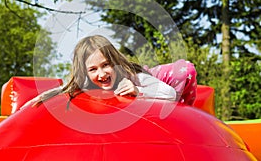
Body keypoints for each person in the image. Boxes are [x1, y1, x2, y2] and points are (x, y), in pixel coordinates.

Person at [26, 35, 196, 108]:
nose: (101, 74)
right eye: (93, 69)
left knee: (185, 69)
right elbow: (66, 89)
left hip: (163, 80)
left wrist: (138, 91)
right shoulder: (86, 82)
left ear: (115, 63)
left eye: (106, 65)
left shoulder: (131, 75)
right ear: (84, 73)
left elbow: (170, 94)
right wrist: (41, 98)